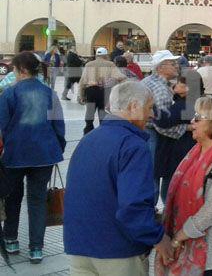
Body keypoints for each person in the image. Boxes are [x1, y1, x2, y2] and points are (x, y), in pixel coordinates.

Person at [64, 81, 173, 275]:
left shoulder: (89, 139)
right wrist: (157, 237)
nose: (152, 115)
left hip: (79, 246)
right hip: (118, 251)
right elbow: (133, 206)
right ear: (134, 107)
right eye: (149, 107)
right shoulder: (133, 145)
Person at [155, 97, 212, 276]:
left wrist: (179, 237)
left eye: (198, 117)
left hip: (207, 247)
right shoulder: (195, 151)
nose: (192, 121)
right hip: (180, 239)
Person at [0, 52, 65, 263]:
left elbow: (1, 126)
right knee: (37, 201)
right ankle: (36, 248)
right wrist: (58, 148)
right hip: (43, 155)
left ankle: (11, 239)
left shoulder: (9, 94)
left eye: (15, 70)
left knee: (12, 198)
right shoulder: (49, 93)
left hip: (14, 155)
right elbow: (59, 126)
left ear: (23, 70)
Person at [142, 50, 186, 204]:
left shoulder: (153, 82)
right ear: (160, 67)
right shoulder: (160, 88)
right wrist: (187, 129)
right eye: (172, 63)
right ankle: (152, 211)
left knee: (153, 174)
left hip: (149, 133)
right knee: (153, 174)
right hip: (153, 135)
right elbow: (161, 123)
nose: (176, 66)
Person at [152, 76, 198, 204]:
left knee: (171, 181)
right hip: (185, 145)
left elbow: (163, 121)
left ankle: (169, 213)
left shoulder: (184, 104)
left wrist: (152, 107)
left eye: (179, 84)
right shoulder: (191, 101)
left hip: (179, 147)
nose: (175, 86)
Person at [78, 47, 126, 135]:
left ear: (96, 55)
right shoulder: (110, 64)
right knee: (102, 113)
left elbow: (82, 81)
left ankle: (88, 132)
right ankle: (102, 133)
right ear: (106, 55)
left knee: (90, 111)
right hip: (104, 91)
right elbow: (120, 76)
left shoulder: (89, 64)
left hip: (90, 91)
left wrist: (81, 95)